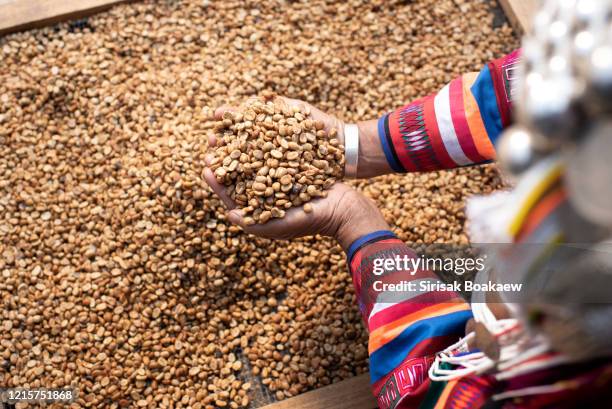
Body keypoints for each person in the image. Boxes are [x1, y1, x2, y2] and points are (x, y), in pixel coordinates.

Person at [204, 3, 612, 405]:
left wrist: (356, 226)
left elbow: (430, 393)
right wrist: (355, 146)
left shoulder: (558, 379)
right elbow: (526, 92)